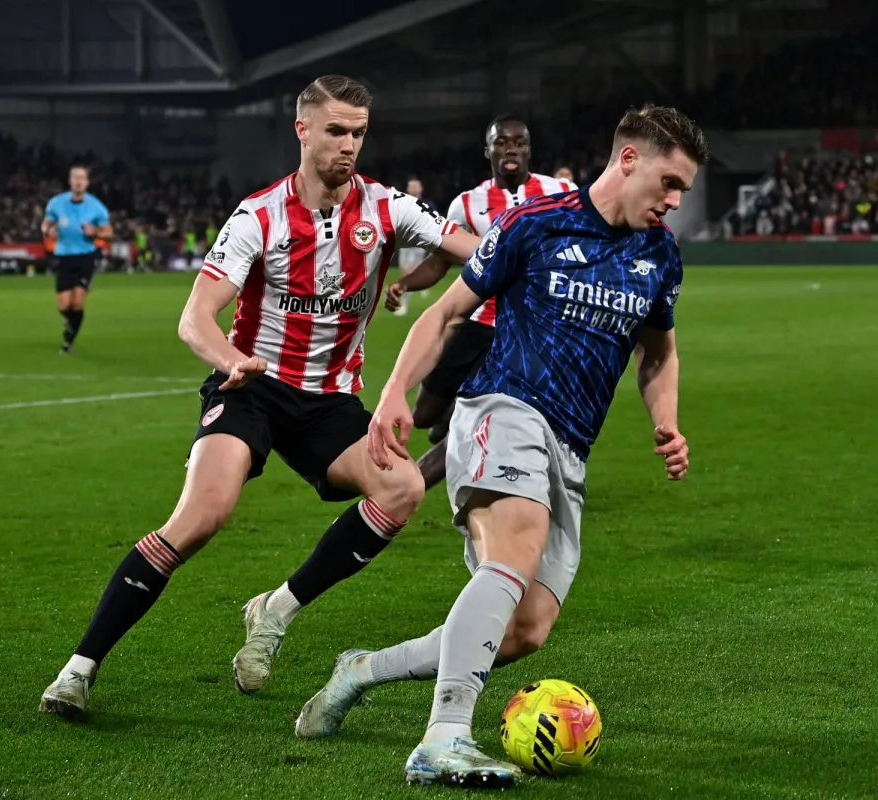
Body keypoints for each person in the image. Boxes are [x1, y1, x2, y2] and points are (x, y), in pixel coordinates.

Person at [38, 75, 481, 718]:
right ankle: (78, 670)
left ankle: (276, 610)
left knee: (403, 487)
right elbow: (195, 318)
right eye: (336, 131)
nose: (349, 145)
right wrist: (231, 360)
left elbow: (475, 251)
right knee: (202, 516)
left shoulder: (388, 208)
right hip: (252, 386)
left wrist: (531, 254)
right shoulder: (260, 214)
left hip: (328, 400)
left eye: (358, 133)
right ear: (302, 130)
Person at [295, 104, 707, 788]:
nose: (674, 201)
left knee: (522, 631)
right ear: (629, 159)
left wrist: (667, 420)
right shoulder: (536, 222)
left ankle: (362, 670)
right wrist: (396, 392)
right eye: (669, 183)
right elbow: (446, 313)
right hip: (501, 409)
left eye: (683, 191)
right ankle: (443, 738)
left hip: (571, 447)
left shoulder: (658, 255)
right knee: (514, 548)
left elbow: (658, 352)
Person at [383, 115, 575, 489]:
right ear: (487, 151)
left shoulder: (561, 193)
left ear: (529, 150)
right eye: (501, 142)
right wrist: (405, 284)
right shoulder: (467, 204)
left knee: (474, 414)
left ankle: (405, 488)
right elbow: (441, 261)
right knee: (424, 415)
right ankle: (450, 417)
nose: (511, 149)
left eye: (518, 142)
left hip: (525, 332)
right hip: (475, 320)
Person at [42, 165, 112, 353]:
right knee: (64, 305)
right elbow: (46, 224)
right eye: (75, 177)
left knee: (78, 303)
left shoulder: (96, 207)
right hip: (64, 257)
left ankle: (68, 341)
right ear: (70, 180)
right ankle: (70, 322)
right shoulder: (56, 203)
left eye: (82, 178)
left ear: (87, 182)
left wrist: (95, 232)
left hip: (85, 257)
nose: (78, 181)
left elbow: (108, 233)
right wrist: (48, 230)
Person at [393, 178, 432, 317]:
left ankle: (404, 304)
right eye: (411, 186)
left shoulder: (428, 205)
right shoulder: (403, 203)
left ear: (421, 188)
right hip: (405, 243)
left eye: (416, 186)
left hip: (418, 244)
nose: (414, 188)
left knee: (409, 273)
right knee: (406, 271)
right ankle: (422, 284)